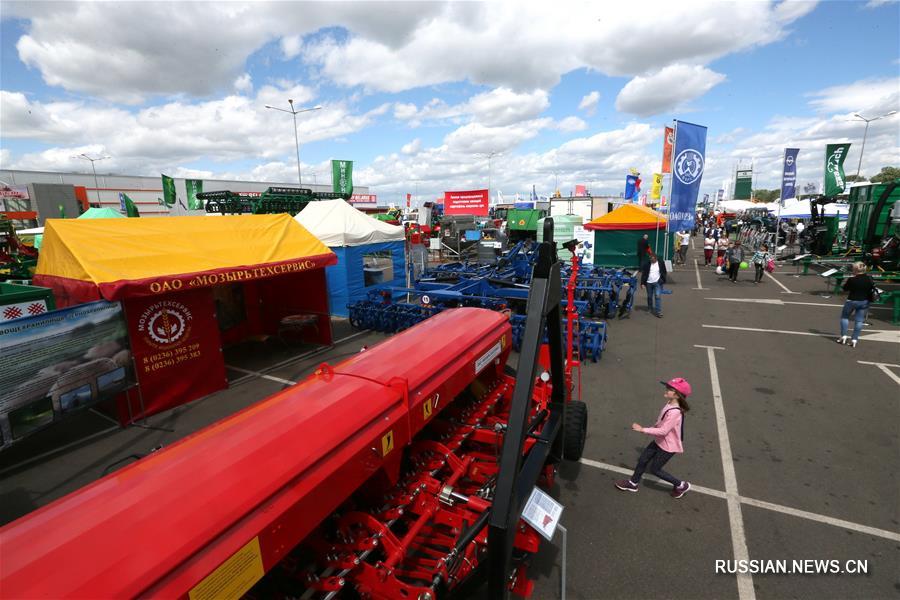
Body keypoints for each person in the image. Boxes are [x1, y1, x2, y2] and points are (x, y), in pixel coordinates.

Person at [615, 378, 692, 498]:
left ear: (677, 395)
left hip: (668, 447)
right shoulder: (670, 403)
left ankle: (681, 485)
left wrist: (643, 429)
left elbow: (663, 431)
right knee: (642, 460)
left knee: (656, 469)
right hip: (659, 441)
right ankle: (633, 483)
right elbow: (661, 422)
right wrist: (653, 427)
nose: (666, 390)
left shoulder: (675, 412)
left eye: (670, 389)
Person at [837, 262, 876, 348]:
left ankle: (843, 336)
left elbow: (845, 289)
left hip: (852, 300)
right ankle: (854, 339)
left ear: (855, 270)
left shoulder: (852, 279)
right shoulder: (869, 278)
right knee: (859, 321)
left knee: (844, 317)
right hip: (864, 301)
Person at [640, 252, 666, 318]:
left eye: (652, 259)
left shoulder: (660, 263)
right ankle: (650, 308)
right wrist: (642, 283)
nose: (651, 260)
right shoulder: (647, 264)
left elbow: (664, 271)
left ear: (656, 258)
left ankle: (658, 312)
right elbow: (644, 274)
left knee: (657, 296)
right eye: (650, 259)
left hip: (657, 282)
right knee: (649, 297)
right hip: (648, 283)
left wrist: (662, 280)